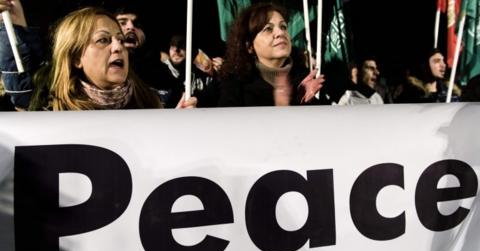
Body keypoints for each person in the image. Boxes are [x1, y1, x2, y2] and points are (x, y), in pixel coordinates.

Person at [0, 1, 195, 110]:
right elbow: (21, 80)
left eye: (120, 39)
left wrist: (174, 128)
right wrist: (15, 26)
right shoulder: (49, 109)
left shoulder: (151, 103)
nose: (118, 47)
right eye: (103, 40)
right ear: (76, 57)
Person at [217, 2, 324, 107]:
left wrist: (301, 103)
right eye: (268, 29)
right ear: (249, 46)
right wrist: (281, 107)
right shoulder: (233, 84)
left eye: (283, 27)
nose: (280, 33)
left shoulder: (304, 79)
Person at [395, 48, 461, 103]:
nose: (443, 65)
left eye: (443, 60)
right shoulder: (410, 93)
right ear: (425, 65)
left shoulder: (450, 92)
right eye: (437, 61)